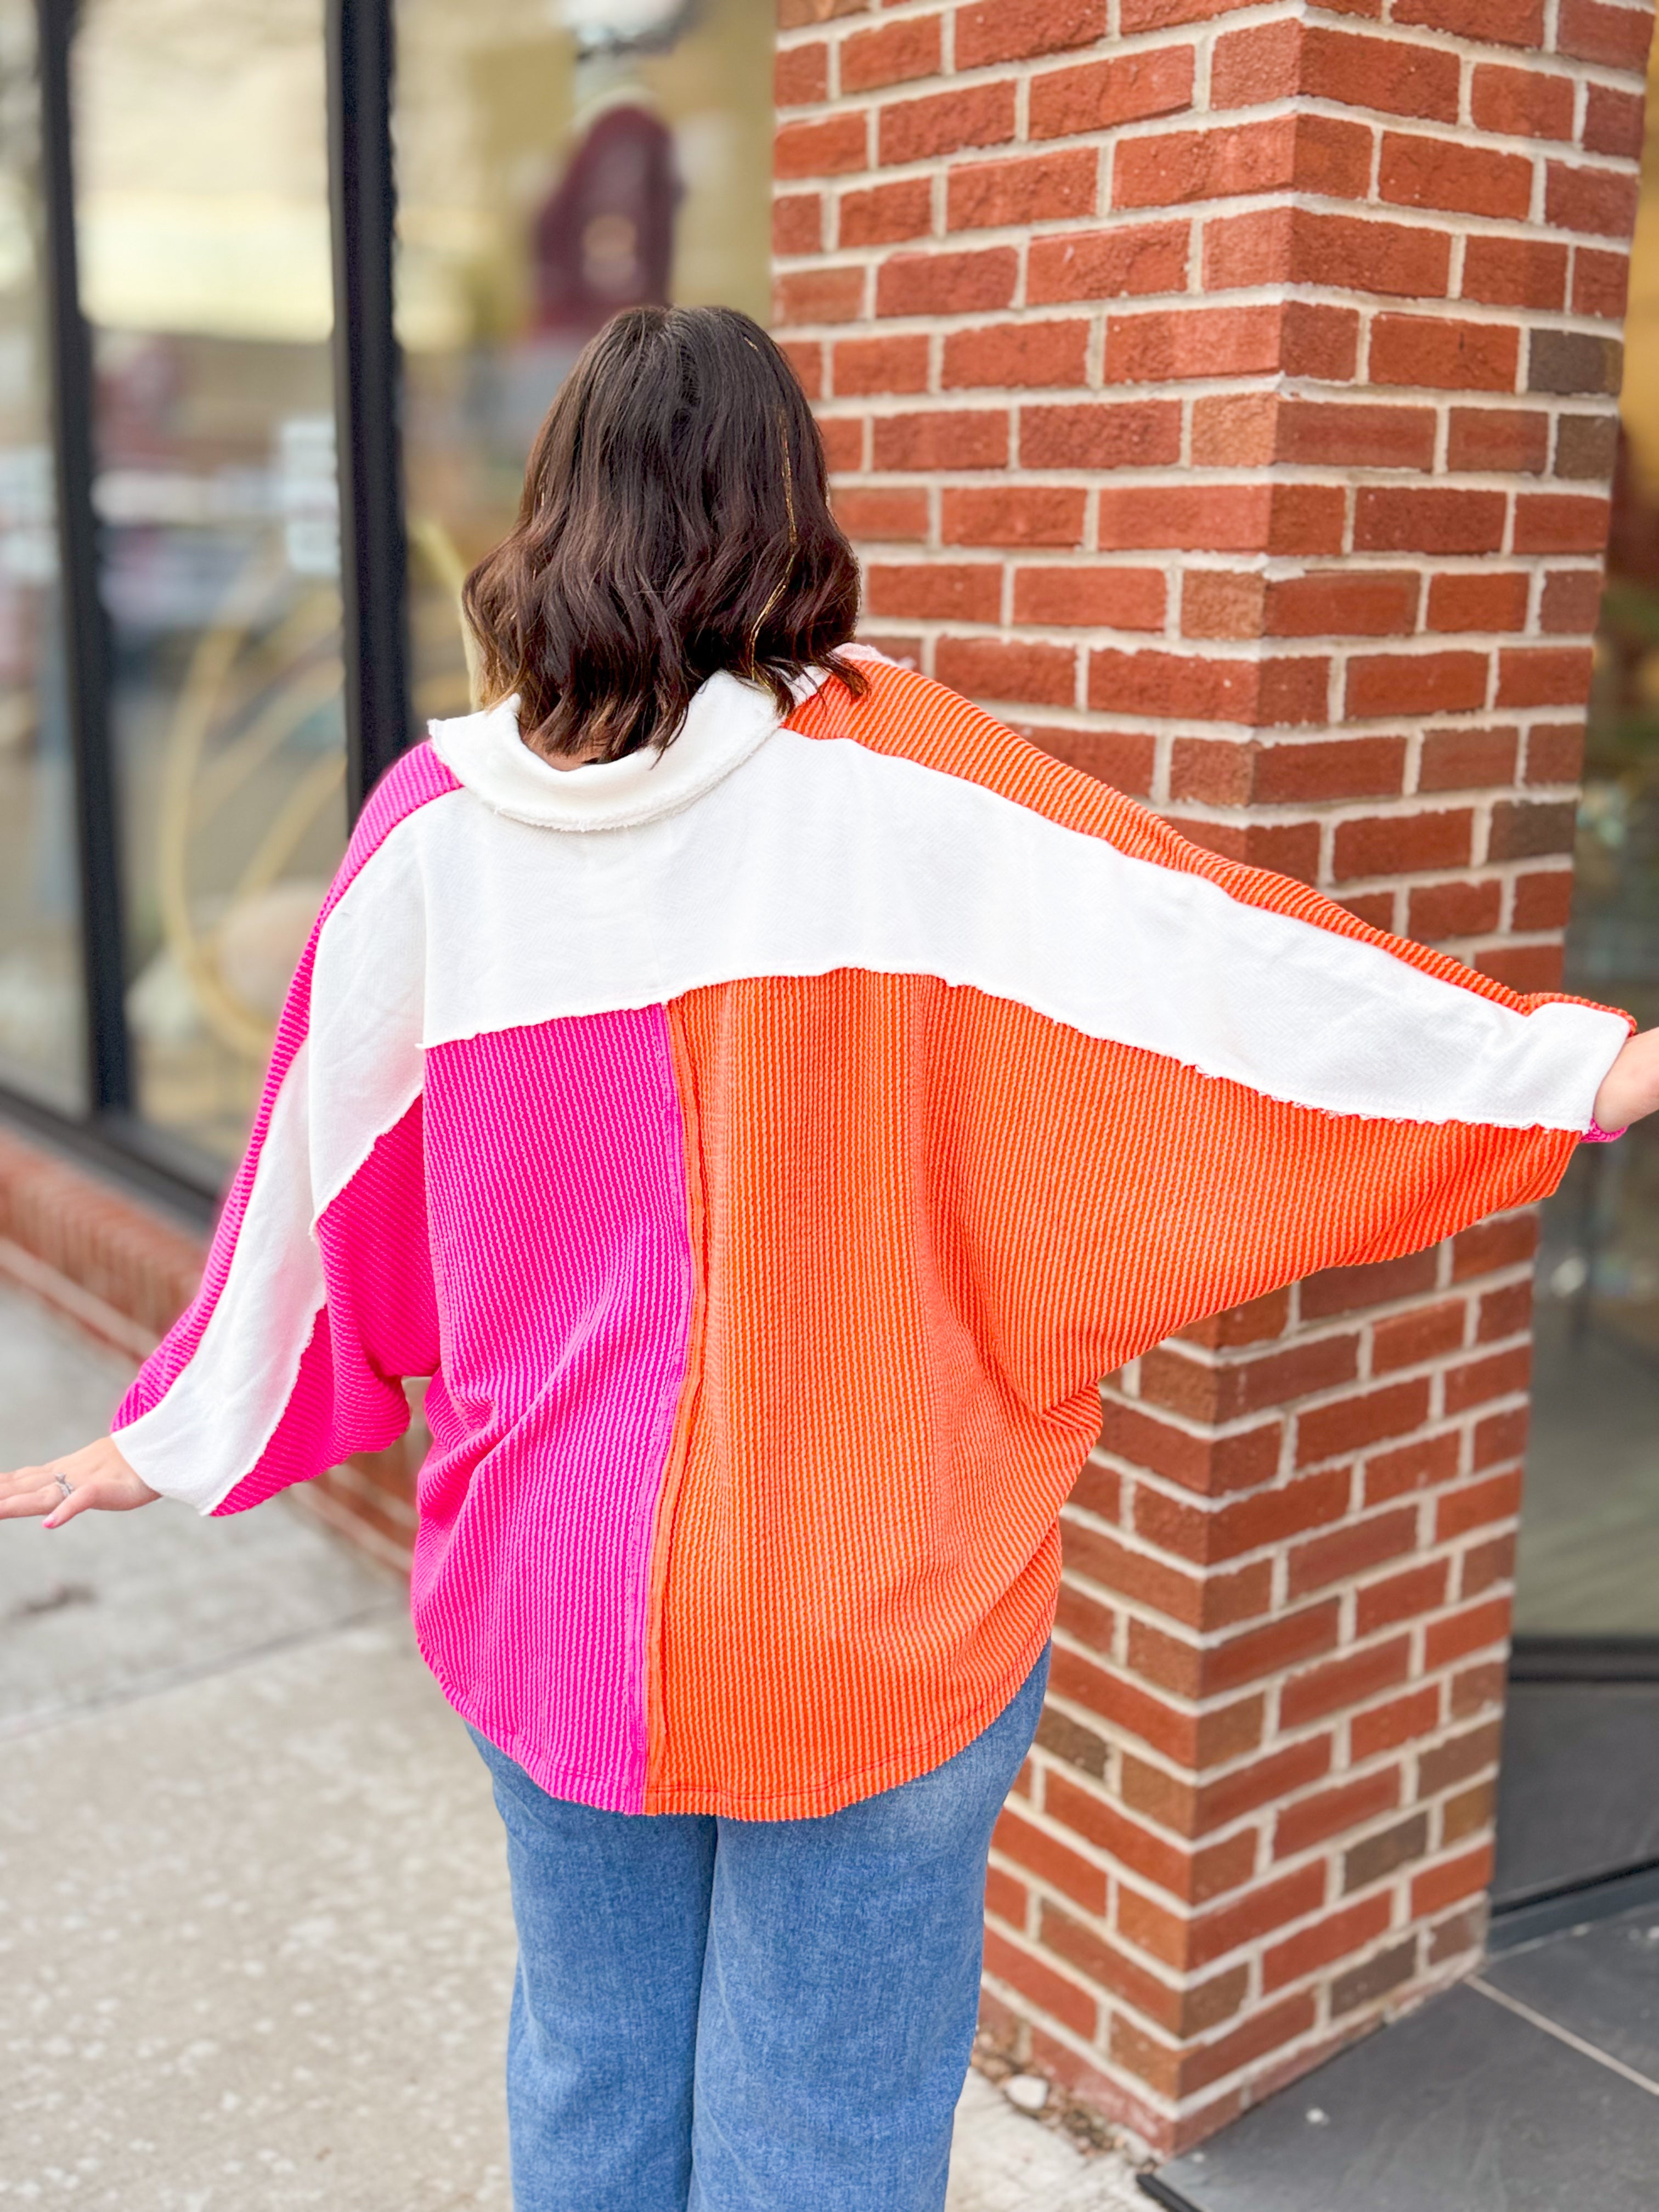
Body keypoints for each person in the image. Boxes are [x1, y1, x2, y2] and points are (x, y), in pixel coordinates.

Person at [4, 303, 1657, 2212]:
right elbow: (1234, 974)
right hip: (870, 1598)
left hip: (559, 1594)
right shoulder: (913, 785)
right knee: (832, 2141)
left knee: (595, 2078)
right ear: (786, 515)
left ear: (558, 516)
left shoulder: (428, 835)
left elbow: (315, 1184)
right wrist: (1566, 1072)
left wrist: (177, 1435)